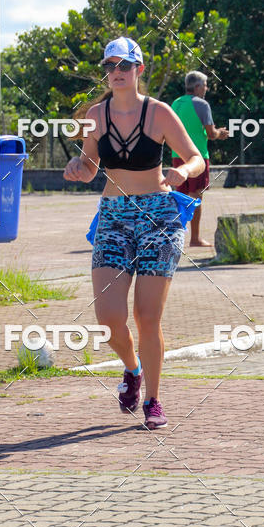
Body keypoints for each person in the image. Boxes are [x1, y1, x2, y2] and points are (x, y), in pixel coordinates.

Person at [63, 37, 204, 429]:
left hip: (158, 217)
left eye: (125, 65)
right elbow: (90, 166)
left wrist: (183, 172)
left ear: (139, 70)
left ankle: (154, 400)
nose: (117, 72)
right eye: (110, 66)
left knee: (147, 316)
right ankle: (132, 369)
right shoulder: (96, 115)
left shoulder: (158, 114)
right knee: (108, 319)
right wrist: (79, 168)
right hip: (113, 218)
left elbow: (195, 157)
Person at [170, 70, 229, 246]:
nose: (206, 88)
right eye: (205, 85)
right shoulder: (202, 104)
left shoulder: (176, 103)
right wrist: (220, 134)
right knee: (196, 196)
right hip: (197, 157)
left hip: (177, 155)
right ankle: (195, 238)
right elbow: (211, 134)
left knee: (180, 197)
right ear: (197, 87)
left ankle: (175, 237)